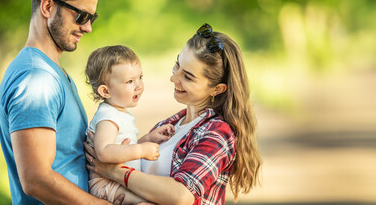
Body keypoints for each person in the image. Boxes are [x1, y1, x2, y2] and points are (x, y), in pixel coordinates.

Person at [85, 23, 262, 204]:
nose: (173, 78)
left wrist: (114, 172)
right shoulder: (171, 124)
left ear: (217, 89)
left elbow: (180, 196)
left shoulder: (217, 133)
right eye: (177, 64)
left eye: (188, 76)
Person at [0, 0, 115, 204]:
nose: (88, 27)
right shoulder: (35, 79)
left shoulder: (50, 72)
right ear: (48, 7)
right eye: (81, 15)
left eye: (92, 17)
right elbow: (35, 178)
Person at [84, 45, 175, 204]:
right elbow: (104, 152)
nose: (138, 85)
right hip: (106, 185)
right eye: (130, 81)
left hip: (117, 180)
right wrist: (140, 150)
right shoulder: (108, 116)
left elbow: (122, 148)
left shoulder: (118, 113)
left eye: (140, 77)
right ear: (105, 91)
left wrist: (149, 138)